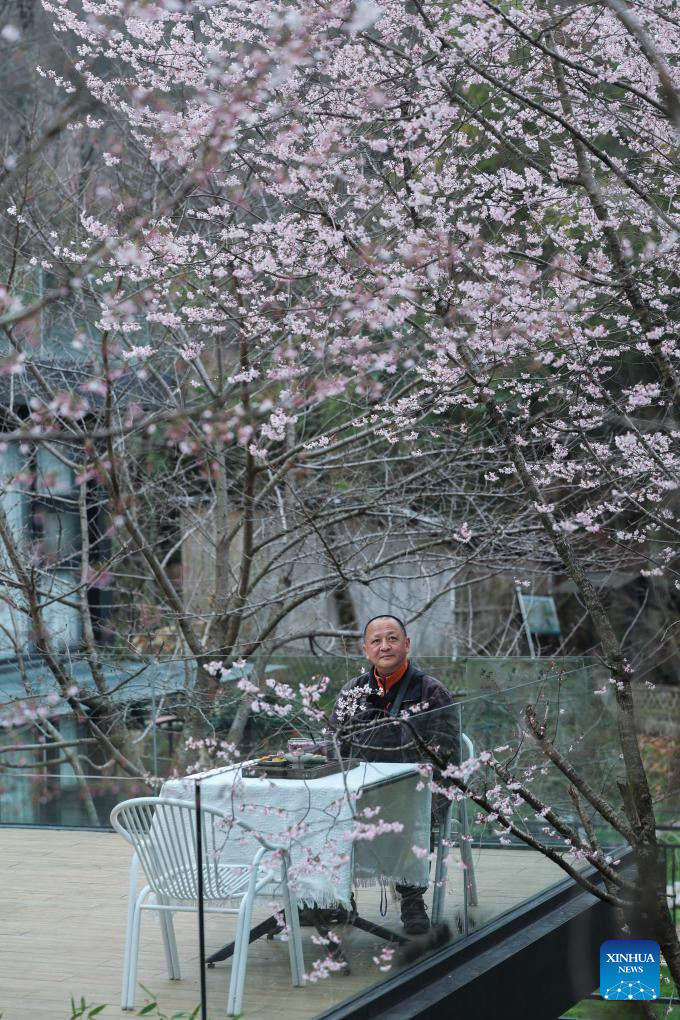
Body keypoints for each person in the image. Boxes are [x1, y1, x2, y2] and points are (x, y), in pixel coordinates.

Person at [328, 615, 460, 935]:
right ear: (365, 650)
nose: (384, 646)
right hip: (362, 788)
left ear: (406, 644)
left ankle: (412, 897)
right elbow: (334, 744)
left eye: (391, 638)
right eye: (376, 641)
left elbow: (445, 752)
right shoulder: (353, 691)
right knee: (324, 810)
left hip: (416, 789)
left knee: (408, 808)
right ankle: (338, 897)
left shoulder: (431, 691)